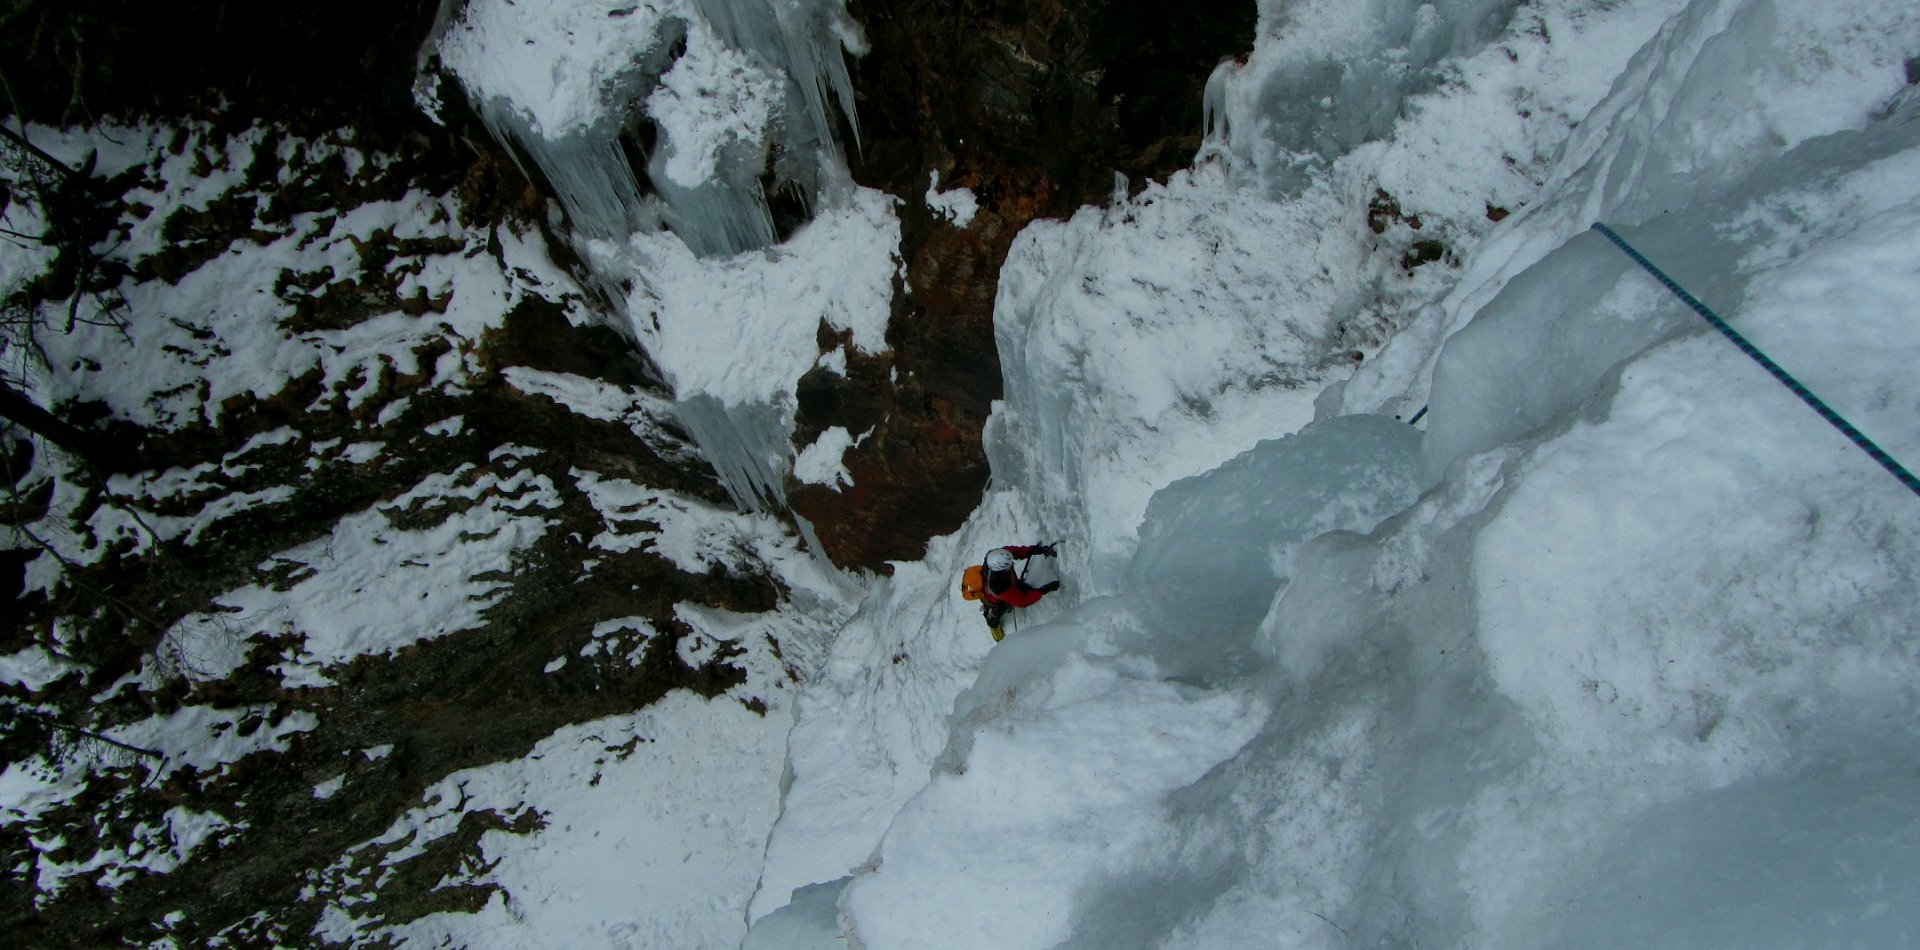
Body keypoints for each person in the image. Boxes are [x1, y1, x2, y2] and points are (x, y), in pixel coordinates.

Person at [978, 543, 1059, 641]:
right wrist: (1045, 589)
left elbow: (1017, 552)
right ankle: (993, 625)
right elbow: (1023, 601)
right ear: (1001, 570)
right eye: (1009, 566)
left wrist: (1036, 550)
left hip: (1012, 585)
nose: (1012, 564)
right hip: (994, 601)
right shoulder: (999, 587)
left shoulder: (1000, 555)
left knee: (1026, 591)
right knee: (993, 616)